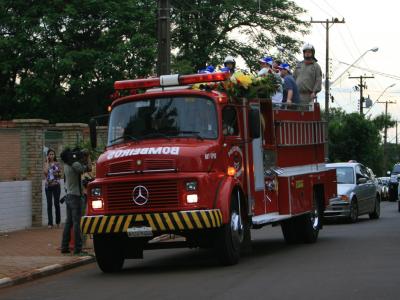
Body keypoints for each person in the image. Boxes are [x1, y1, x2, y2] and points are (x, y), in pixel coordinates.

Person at [60, 147, 91, 255]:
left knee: (69, 223)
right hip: (76, 197)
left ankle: (64, 247)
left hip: (68, 196)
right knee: (77, 223)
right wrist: (87, 156)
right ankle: (78, 249)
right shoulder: (74, 165)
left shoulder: (66, 165)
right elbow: (88, 168)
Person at [43, 149, 62, 228]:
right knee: (49, 204)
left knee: (56, 204)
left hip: (56, 186)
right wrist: (47, 161)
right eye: (50, 154)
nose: (51, 156)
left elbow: (60, 174)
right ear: (48, 155)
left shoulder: (57, 163)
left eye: (52, 154)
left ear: (54, 155)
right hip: (48, 187)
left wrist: (56, 173)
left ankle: (58, 222)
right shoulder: (45, 163)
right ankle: (50, 223)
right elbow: (45, 172)